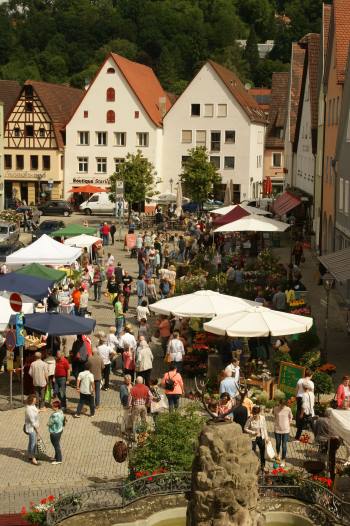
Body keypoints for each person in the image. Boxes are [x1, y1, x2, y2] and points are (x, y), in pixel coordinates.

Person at [244, 406, 268, 471]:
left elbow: (264, 428)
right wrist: (253, 432)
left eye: (256, 414)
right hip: (253, 438)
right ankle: (253, 467)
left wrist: (267, 437)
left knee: (262, 452)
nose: (254, 415)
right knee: (253, 452)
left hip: (261, 437)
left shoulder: (262, 418)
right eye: (253, 413)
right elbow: (245, 428)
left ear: (259, 413)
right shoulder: (250, 419)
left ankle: (263, 466)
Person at [295, 369, 314, 440]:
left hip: (299, 397)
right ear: (311, 375)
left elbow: (296, 389)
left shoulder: (300, 380)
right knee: (305, 414)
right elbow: (312, 392)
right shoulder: (311, 383)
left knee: (299, 411)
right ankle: (304, 426)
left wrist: (296, 396)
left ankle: (298, 424)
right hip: (308, 398)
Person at [273, 399, 292, 467]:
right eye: (281, 405)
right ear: (279, 403)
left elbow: (290, 417)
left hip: (286, 430)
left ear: (285, 405)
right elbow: (274, 416)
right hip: (277, 429)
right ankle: (278, 455)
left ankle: (283, 460)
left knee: (284, 445)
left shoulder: (288, 409)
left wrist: (288, 424)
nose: (282, 407)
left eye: (283, 405)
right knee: (278, 443)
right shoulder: (275, 409)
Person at [48, 400, 65, 464]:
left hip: (55, 432)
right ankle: (56, 457)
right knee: (56, 444)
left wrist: (49, 424)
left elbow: (52, 423)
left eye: (53, 406)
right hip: (60, 430)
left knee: (56, 445)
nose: (52, 407)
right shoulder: (61, 412)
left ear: (56, 407)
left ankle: (59, 460)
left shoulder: (55, 415)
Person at [24, 394, 40, 465]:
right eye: (34, 401)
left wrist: (42, 410)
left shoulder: (32, 406)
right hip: (31, 428)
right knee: (33, 443)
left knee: (31, 442)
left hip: (32, 427)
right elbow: (32, 421)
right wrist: (37, 430)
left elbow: (36, 410)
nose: (35, 402)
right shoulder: (29, 409)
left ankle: (30, 455)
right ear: (31, 401)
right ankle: (33, 459)